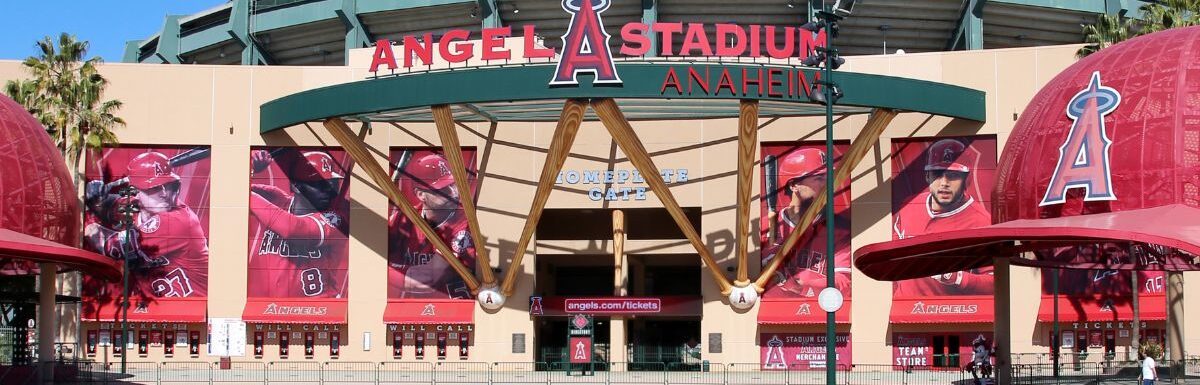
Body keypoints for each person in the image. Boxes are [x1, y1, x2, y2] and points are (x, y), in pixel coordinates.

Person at [84, 151, 209, 299]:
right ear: (137, 192)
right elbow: (107, 204)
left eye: (168, 186)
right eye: (154, 188)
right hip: (154, 307)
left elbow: (112, 247)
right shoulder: (136, 206)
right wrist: (96, 196)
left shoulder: (179, 221)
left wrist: (88, 225)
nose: (163, 193)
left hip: (193, 307)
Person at [893, 139, 992, 296]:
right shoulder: (908, 206)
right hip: (903, 311)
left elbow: (996, 282)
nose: (944, 183)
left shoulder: (982, 221)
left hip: (948, 312)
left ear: (967, 179)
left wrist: (958, 278)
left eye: (953, 176)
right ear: (927, 177)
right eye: (937, 174)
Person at [247, 150, 349, 298]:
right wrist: (250, 168)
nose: (328, 190)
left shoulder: (337, 218)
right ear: (296, 186)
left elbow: (293, 229)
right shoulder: (277, 199)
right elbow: (229, 191)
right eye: (319, 184)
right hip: (278, 310)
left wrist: (246, 195)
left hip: (322, 310)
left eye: (332, 183)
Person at [762, 148, 852, 297]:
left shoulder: (838, 230)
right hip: (771, 312)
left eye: (827, 179)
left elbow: (844, 282)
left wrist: (799, 285)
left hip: (819, 313)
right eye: (818, 179)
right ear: (793, 185)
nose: (827, 185)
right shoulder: (766, 227)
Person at [387, 153, 476, 299]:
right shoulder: (403, 218)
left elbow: (423, 279)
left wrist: (374, 267)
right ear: (421, 194)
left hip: (458, 309)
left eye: (453, 184)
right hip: (415, 313)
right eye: (442, 189)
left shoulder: (465, 225)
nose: (453, 193)